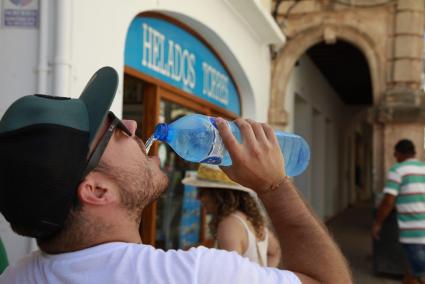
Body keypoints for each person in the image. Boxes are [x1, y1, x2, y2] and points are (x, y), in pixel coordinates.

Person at [0, 66, 351, 283]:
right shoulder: (192, 275)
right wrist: (274, 185)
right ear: (96, 190)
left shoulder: (15, 276)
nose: (133, 124)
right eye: (117, 129)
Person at [182, 164, 281, 267]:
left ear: (218, 194)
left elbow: (230, 273)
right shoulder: (250, 219)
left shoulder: (230, 224)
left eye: (202, 192)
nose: (198, 198)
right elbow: (274, 252)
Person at [373, 139, 425, 284]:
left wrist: (377, 223)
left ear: (400, 153)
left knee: (419, 272)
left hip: (413, 231)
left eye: (395, 154)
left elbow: (388, 201)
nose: (395, 157)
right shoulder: (423, 168)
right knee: (412, 270)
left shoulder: (398, 170)